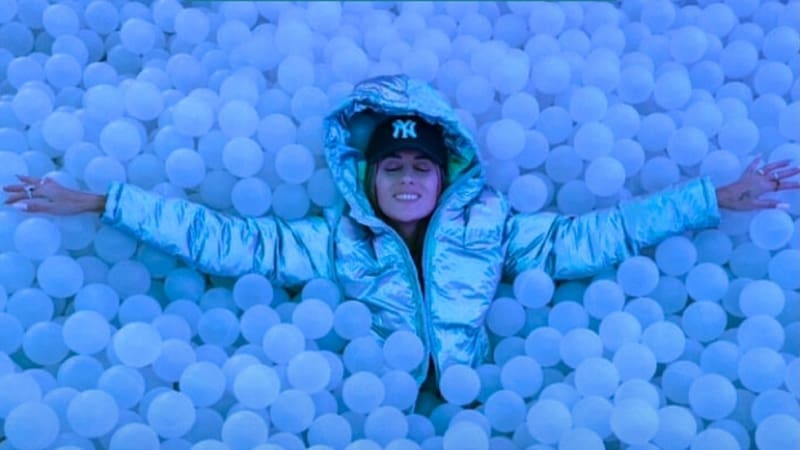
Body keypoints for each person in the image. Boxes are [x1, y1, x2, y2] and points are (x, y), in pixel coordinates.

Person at [4, 74, 798, 385]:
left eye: (422, 165)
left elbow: (595, 237)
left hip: (481, 406)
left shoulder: (492, 228)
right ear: (371, 179)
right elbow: (230, 240)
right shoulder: (335, 241)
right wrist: (102, 202)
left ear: (445, 177)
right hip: (369, 408)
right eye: (393, 166)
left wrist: (712, 198)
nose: (409, 177)